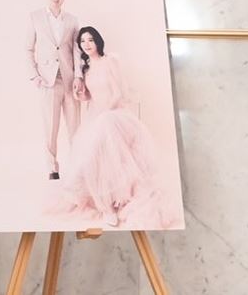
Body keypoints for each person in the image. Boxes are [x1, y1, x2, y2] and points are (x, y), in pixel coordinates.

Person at [59, 27, 167, 228]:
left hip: (114, 115)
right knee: (90, 154)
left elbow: (118, 93)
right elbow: (91, 97)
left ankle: (112, 203)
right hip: (96, 117)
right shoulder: (86, 69)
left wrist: (104, 114)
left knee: (105, 143)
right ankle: (101, 202)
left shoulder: (110, 61)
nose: (87, 44)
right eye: (83, 41)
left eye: (90, 40)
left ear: (97, 41)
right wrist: (81, 95)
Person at [25, 0, 82, 180]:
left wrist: (78, 76)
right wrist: (35, 76)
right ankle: (52, 168)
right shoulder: (35, 17)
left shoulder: (72, 20)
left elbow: (76, 50)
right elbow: (28, 49)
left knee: (75, 127)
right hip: (48, 81)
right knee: (50, 127)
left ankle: (77, 166)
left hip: (69, 80)